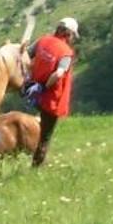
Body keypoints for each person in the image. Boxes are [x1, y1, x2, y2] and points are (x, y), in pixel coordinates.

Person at [24, 16, 79, 167]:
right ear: (68, 34)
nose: (73, 39)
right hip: (51, 99)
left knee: (40, 124)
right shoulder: (66, 53)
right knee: (45, 136)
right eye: (73, 35)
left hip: (34, 94)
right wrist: (44, 86)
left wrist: (29, 77)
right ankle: (37, 166)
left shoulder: (43, 40)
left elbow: (26, 56)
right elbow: (59, 73)